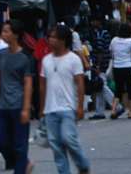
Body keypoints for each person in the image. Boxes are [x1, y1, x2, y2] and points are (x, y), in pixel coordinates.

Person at [40, 24, 90, 174]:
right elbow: (42, 85)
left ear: (63, 40)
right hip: (50, 109)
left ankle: (82, 165)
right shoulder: (46, 60)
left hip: (68, 107)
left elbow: (80, 83)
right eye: (50, 37)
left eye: (54, 37)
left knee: (69, 138)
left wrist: (80, 106)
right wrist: (42, 108)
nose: (50, 40)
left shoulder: (73, 59)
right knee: (56, 145)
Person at [0, 19, 34, 174]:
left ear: (16, 35)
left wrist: (26, 108)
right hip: (3, 105)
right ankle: (23, 163)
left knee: (20, 144)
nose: (3, 34)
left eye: (6, 31)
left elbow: (28, 83)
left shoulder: (25, 57)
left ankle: (21, 168)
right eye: (3, 31)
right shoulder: (0, 54)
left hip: (19, 104)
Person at [109, 23, 131, 119]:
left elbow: (111, 51)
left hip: (117, 67)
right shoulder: (130, 41)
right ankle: (130, 112)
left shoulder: (114, 40)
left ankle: (113, 110)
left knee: (118, 90)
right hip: (127, 66)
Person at [89, 17, 112, 120]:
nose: (92, 22)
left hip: (101, 64)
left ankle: (116, 105)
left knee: (101, 85)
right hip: (104, 62)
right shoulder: (104, 33)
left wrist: (98, 65)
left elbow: (100, 51)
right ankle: (99, 111)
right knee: (99, 87)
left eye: (94, 20)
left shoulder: (101, 34)